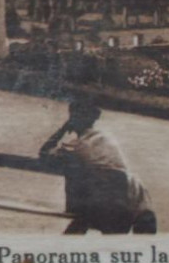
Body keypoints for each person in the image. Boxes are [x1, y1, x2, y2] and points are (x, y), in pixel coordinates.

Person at [38, 95, 156, 235]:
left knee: (81, 222)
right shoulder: (108, 140)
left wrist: (62, 129)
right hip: (123, 210)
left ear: (73, 120)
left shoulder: (76, 147)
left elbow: (43, 153)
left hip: (94, 209)